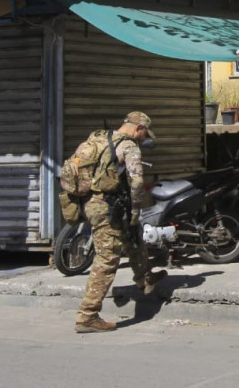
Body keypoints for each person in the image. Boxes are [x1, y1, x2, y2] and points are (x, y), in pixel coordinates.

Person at [74, 111, 166, 333]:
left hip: (92, 203)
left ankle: (145, 278)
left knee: (132, 235)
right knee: (107, 259)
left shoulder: (97, 138)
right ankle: (88, 316)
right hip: (109, 207)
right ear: (138, 128)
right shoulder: (129, 146)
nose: (144, 139)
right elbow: (137, 181)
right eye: (144, 134)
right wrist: (136, 207)